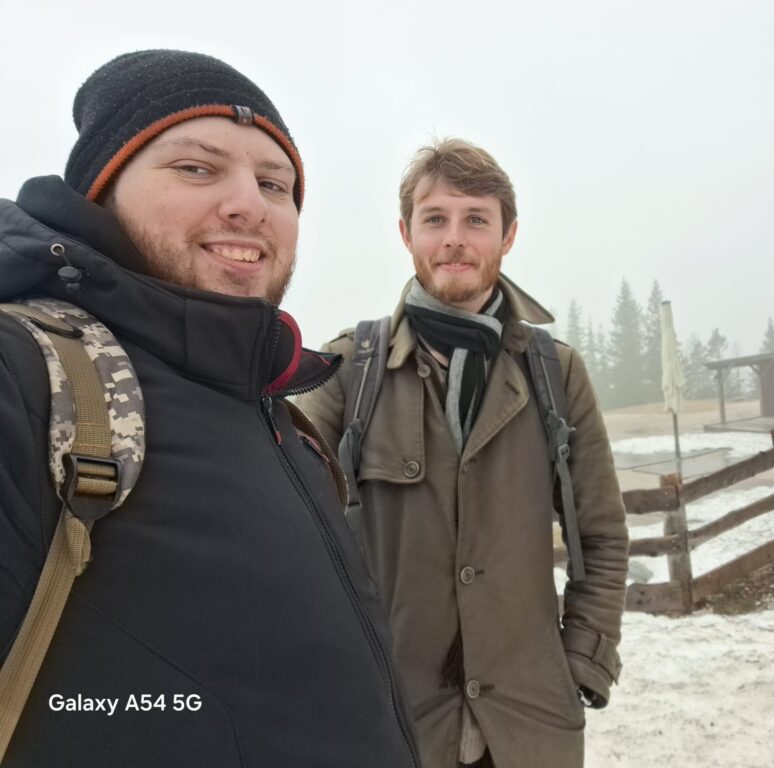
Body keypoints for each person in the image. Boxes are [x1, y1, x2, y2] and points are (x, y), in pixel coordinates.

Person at [0, 50, 420, 767]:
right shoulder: (27, 373)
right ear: (99, 191)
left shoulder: (280, 417)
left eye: (275, 182)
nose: (250, 204)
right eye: (196, 168)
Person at [298, 138, 628, 768]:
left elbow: (603, 535)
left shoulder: (554, 373)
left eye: (476, 219)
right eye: (435, 219)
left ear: (507, 236)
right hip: (393, 724)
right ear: (406, 232)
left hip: (530, 727)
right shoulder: (346, 370)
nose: (455, 238)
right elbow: (287, 526)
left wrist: (584, 660)